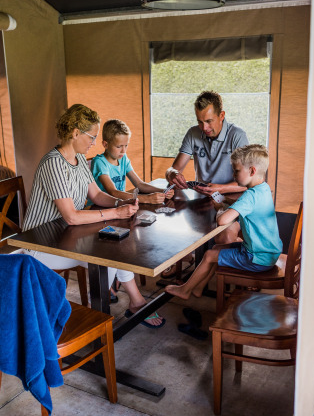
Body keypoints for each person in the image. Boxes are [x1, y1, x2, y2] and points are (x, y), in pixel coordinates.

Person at [20, 104, 165, 328]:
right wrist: (116, 211)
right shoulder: (53, 164)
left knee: (118, 244)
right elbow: (71, 217)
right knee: (111, 254)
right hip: (41, 245)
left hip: (67, 236)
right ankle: (105, 309)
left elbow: (96, 194)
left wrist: (122, 202)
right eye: (92, 137)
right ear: (76, 133)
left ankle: (123, 301)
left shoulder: (78, 161)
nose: (95, 143)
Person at [165, 145, 283, 300]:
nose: (233, 175)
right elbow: (243, 205)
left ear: (252, 171)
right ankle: (199, 288)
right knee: (217, 248)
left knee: (209, 255)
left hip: (256, 258)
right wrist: (225, 199)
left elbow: (222, 221)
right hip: (268, 252)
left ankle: (185, 290)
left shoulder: (250, 196)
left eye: (236, 171)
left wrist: (220, 207)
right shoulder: (263, 189)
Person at [165, 90, 249, 244]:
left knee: (224, 237)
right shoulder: (192, 133)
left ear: (222, 115)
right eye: (200, 121)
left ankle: (233, 258)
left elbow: (247, 184)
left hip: (230, 201)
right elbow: (172, 169)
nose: (204, 127)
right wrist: (173, 174)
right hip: (201, 201)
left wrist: (219, 188)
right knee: (173, 232)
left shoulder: (237, 136)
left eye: (209, 121)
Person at [89, 119, 174, 204]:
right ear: (105, 144)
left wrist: (163, 191)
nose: (123, 150)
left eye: (126, 145)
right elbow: (113, 192)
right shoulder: (99, 162)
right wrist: (147, 199)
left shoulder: (123, 158)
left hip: (119, 204)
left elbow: (139, 184)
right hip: (99, 207)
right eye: (119, 146)